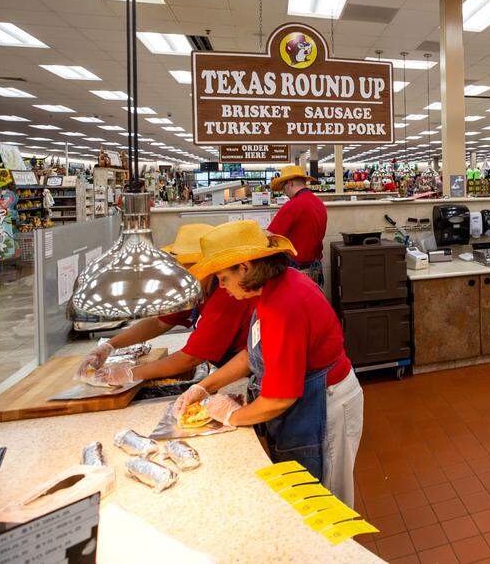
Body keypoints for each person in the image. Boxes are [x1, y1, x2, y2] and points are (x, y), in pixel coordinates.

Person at [172, 220, 363, 506]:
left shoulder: (284, 304)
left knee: (325, 501)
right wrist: (204, 387)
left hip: (326, 404)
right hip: (307, 401)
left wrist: (231, 416)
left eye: (223, 278)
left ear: (245, 268)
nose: (221, 286)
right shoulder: (266, 291)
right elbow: (253, 354)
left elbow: (279, 398)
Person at [76, 223, 257, 384]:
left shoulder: (229, 295)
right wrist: (109, 346)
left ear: (208, 268)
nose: (180, 277)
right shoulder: (196, 289)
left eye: (188, 269)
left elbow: (190, 358)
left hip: (247, 376)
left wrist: (129, 374)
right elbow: (160, 321)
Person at [267, 165, 327, 287]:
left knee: (296, 306)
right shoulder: (319, 203)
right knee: (312, 304)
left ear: (290, 183)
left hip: (297, 271)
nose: (284, 191)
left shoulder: (293, 205)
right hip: (316, 268)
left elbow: (271, 236)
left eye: (284, 186)